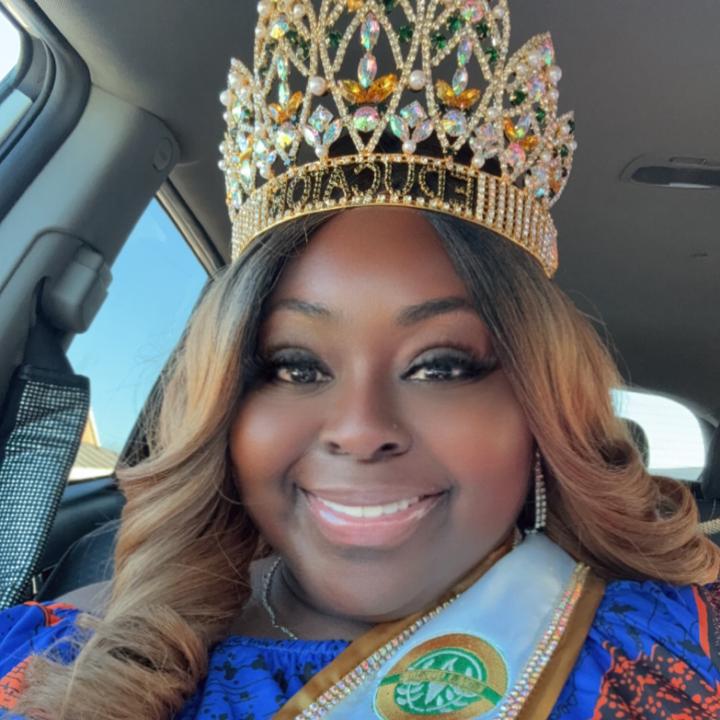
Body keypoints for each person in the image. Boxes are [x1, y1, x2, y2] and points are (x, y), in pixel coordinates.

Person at [2, 1, 720, 718]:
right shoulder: (52, 658)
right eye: (295, 367)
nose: (360, 428)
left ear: (539, 411)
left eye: (441, 366)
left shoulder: (679, 648)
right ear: (227, 407)